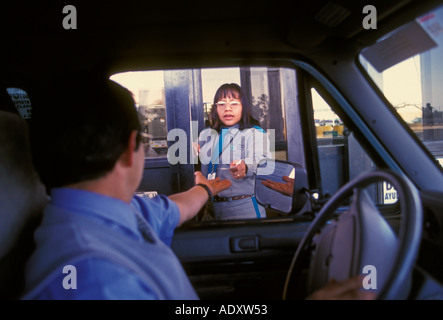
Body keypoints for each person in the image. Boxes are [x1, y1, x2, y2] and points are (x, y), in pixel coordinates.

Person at [22, 77, 231, 299]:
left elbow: (177, 207)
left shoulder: (116, 211)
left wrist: (205, 189)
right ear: (130, 148)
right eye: (145, 142)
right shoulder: (100, 283)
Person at [196, 83, 272, 220]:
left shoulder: (254, 133)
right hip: (210, 209)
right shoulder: (206, 134)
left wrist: (246, 166)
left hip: (243, 208)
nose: (228, 109)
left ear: (243, 107)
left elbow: (263, 160)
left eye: (234, 104)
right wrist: (192, 149)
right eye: (222, 104)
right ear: (215, 108)